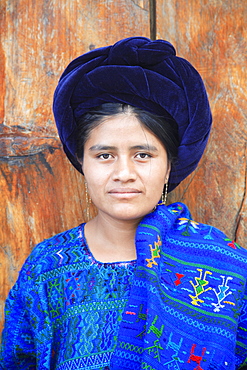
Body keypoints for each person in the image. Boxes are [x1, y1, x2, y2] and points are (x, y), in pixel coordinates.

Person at [1, 37, 247, 370]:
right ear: (82, 162)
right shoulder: (47, 269)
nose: (124, 173)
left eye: (143, 155)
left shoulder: (227, 267)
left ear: (169, 166)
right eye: (104, 155)